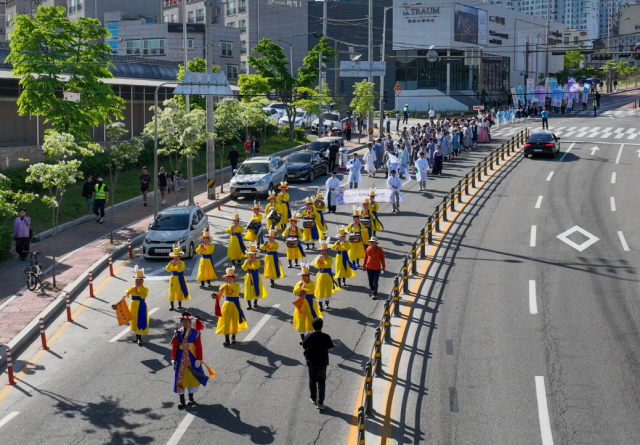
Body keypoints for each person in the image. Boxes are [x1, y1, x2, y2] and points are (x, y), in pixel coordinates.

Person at [170, 312, 215, 409]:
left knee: (192, 378)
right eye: (183, 321)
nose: (185, 323)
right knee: (180, 379)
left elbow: (198, 347)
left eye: (187, 321)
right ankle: (182, 401)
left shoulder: (195, 333)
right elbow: (174, 346)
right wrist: (173, 359)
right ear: (181, 322)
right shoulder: (177, 333)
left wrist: (198, 359)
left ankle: (191, 398)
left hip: (191, 358)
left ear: (190, 322)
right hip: (180, 359)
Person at [302, 317, 334, 411]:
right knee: (321, 382)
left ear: (313, 326)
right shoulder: (326, 337)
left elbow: (304, 345)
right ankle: (320, 403)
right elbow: (331, 347)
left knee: (312, 380)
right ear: (322, 326)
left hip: (311, 361)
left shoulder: (308, 336)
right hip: (322, 362)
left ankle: (313, 397)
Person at [214, 266, 248, 347]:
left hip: (235, 305)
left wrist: (231, 283)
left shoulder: (237, 285)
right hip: (227, 305)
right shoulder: (223, 285)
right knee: (226, 322)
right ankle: (226, 339)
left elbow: (236, 290)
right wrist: (220, 290)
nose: (228, 279)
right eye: (227, 278)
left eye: (230, 278)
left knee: (234, 321)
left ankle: (233, 337)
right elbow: (219, 294)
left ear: (234, 278)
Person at [292, 261, 322, 345]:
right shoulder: (299, 283)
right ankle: (303, 339)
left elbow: (310, 288)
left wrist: (303, 288)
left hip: (310, 302)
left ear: (308, 276)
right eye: (303, 276)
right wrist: (300, 287)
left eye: (305, 276)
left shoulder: (311, 283)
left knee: (312, 318)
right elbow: (295, 292)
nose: (304, 278)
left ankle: (313, 337)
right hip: (301, 304)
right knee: (301, 320)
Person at [118, 266, 149, 345]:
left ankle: (139, 338)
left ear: (142, 281)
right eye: (136, 280)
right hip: (133, 307)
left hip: (141, 306)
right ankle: (136, 336)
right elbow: (127, 291)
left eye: (139, 280)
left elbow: (143, 296)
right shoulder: (132, 288)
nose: (137, 282)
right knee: (133, 321)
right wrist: (127, 293)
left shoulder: (145, 289)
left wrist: (140, 287)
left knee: (140, 320)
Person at [313, 238, 340, 310]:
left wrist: (324, 259)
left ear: (327, 252)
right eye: (322, 251)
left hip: (328, 275)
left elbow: (328, 264)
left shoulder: (330, 258)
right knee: (320, 289)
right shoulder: (318, 258)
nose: (323, 252)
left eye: (324, 251)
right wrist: (318, 260)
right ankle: (320, 305)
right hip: (320, 275)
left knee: (327, 289)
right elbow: (316, 265)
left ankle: (327, 304)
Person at [242, 243, 267, 310]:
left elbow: (256, 266)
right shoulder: (246, 261)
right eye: (250, 254)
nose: (251, 256)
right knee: (248, 289)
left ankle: (255, 302)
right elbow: (244, 268)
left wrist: (252, 261)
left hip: (255, 275)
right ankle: (249, 305)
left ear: (255, 255)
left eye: (253, 254)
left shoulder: (257, 261)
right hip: (248, 276)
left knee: (256, 287)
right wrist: (246, 263)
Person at [167, 246, 190, 311]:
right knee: (172, 291)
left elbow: (180, 269)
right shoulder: (171, 263)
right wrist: (170, 263)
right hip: (173, 279)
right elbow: (168, 269)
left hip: (180, 278)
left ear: (179, 257)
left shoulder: (182, 263)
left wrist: (177, 264)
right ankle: (172, 305)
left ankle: (179, 305)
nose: (175, 258)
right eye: (174, 257)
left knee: (180, 291)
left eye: (177, 257)